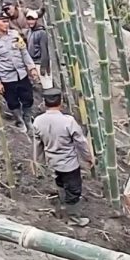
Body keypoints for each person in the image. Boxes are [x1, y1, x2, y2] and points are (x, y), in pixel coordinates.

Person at [33, 88, 94, 227]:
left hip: (52, 161)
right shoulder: (68, 121)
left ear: (44, 103)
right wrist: (88, 157)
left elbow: (37, 144)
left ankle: (63, 206)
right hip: (69, 163)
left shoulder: (38, 121)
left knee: (60, 183)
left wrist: (38, 162)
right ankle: (74, 219)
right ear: (61, 103)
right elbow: (80, 142)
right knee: (73, 190)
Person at [0, 12, 39, 133]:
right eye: (3, 21)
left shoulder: (15, 35)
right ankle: (20, 121)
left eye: (7, 21)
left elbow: (24, 52)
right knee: (12, 102)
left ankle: (27, 119)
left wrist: (31, 67)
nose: (6, 24)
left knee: (28, 98)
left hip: (22, 74)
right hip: (7, 78)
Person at [25, 8, 52, 90]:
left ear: (36, 20)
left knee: (47, 86)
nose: (30, 22)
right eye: (28, 19)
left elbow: (44, 51)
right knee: (39, 87)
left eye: (32, 19)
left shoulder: (41, 33)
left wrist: (43, 67)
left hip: (40, 62)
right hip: (33, 63)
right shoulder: (29, 32)